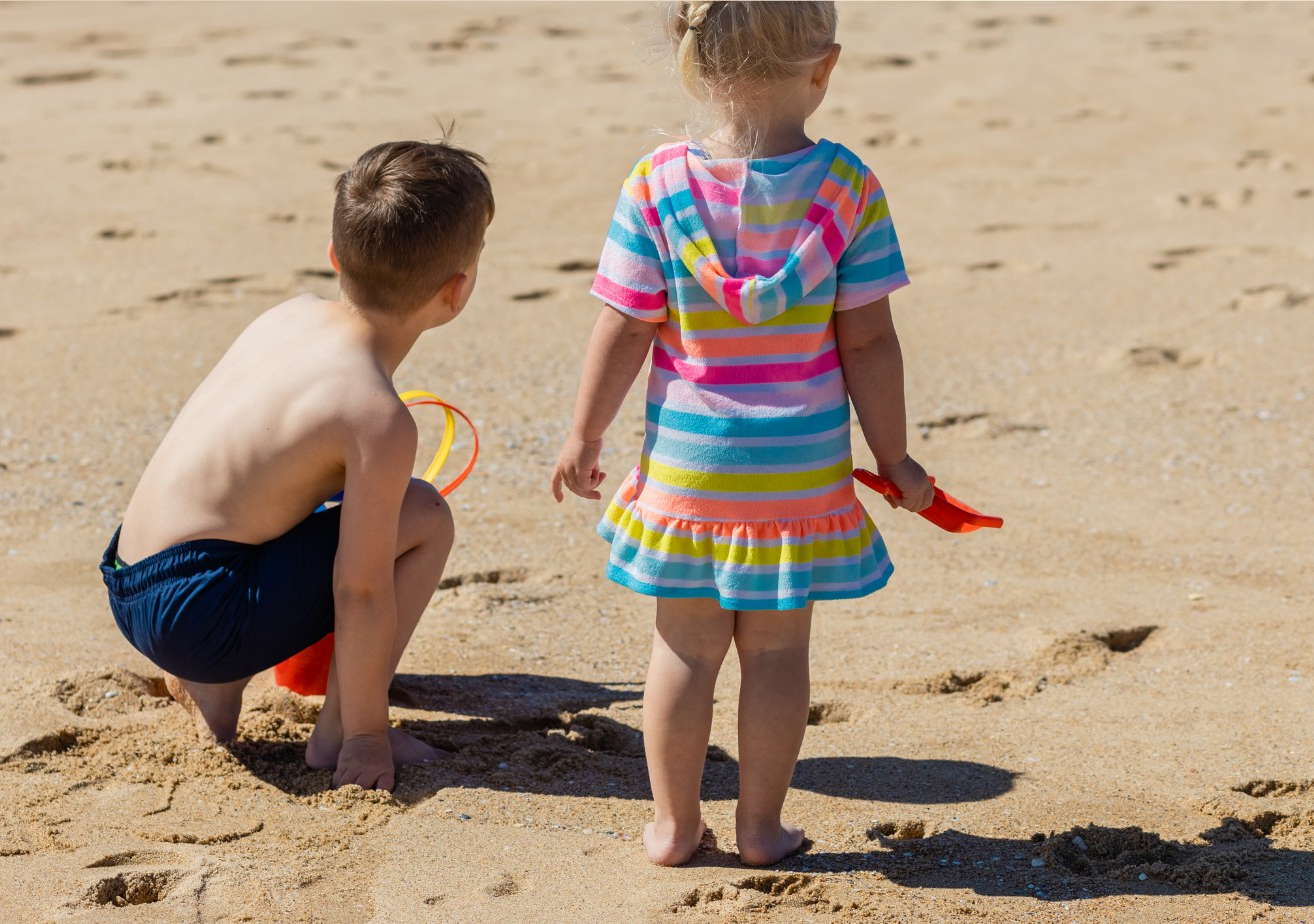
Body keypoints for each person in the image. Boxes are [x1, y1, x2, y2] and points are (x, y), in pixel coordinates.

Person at [551, 0, 934, 866]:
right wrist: (895, 456)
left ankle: (675, 826)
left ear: (693, 62)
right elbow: (868, 338)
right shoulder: (846, 188)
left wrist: (585, 433)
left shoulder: (655, 185)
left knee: (683, 651)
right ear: (823, 69)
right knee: (775, 656)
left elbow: (624, 325)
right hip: (797, 475)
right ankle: (761, 827)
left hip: (690, 467)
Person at [101, 139, 494, 792]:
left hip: (131, 576)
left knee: (291, 500)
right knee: (422, 513)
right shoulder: (376, 416)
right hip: (198, 612)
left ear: (335, 256)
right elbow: (360, 589)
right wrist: (370, 736)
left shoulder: (288, 315)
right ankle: (342, 728)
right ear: (456, 293)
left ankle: (214, 685)